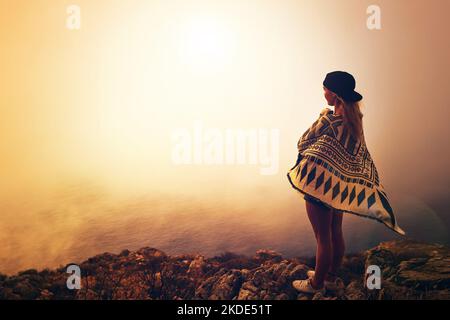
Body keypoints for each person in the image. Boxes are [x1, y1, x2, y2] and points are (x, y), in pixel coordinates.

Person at [287, 71, 405, 294]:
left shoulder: (330, 121)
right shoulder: (355, 122)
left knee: (322, 238)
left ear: (335, 95)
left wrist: (322, 116)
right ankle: (330, 276)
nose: (323, 93)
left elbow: (303, 143)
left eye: (325, 90)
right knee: (335, 233)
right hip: (337, 187)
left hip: (319, 187)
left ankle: (316, 284)